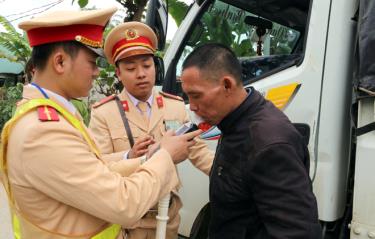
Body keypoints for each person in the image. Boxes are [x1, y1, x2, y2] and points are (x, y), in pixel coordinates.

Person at [0, 8, 202, 239]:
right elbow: (123, 204)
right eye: (92, 62)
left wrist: (147, 157)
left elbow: (94, 170)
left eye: (146, 65)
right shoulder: (43, 130)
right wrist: (165, 156)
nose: (97, 72)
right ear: (60, 62)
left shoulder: (52, 116)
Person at [180, 43, 322, 239]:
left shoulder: (269, 143)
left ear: (227, 85)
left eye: (196, 96)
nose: (192, 107)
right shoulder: (234, 122)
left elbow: (296, 232)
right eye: (187, 96)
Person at [88, 22, 214, 239]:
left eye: (146, 65)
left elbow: (198, 151)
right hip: (127, 222)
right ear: (118, 73)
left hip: (168, 214)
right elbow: (96, 166)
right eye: (130, 68)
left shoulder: (174, 106)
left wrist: (231, 174)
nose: (141, 74)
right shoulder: (104, 113)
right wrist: (130, 155)